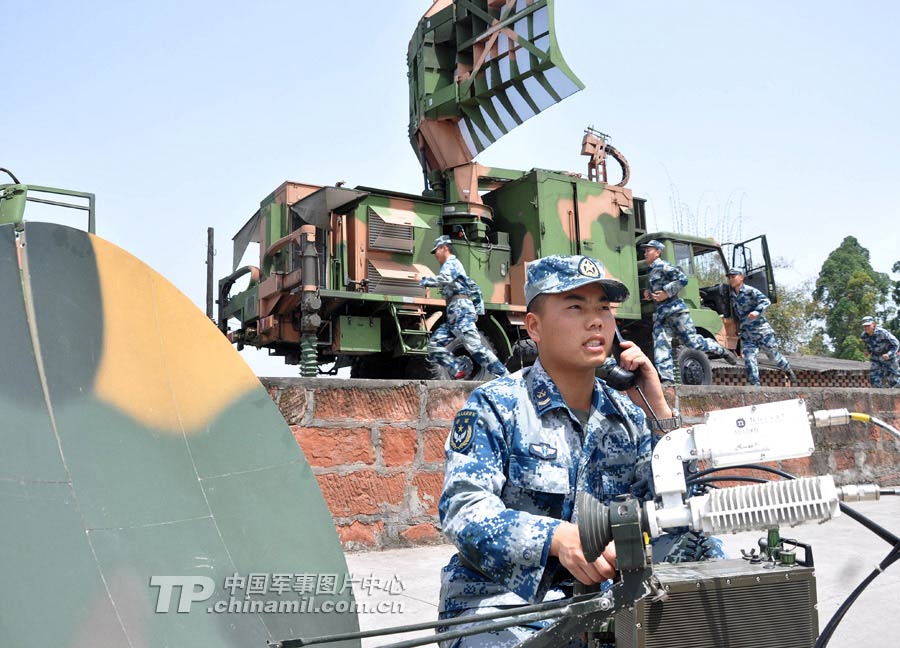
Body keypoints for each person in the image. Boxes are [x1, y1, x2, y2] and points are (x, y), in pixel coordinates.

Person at [436, 254, 720, 648]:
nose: (596, 321)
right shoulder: (495, 407)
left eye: (604, 308)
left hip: (608, 606)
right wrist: (556, 538)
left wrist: (659, 412)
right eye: (575, 307)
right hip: (508, 607)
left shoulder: (628, 415)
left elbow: (687, 510)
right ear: (534, 326)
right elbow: (463, 509)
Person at [641, 239, 736, 384]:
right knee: (660, 344)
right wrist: (649, 293)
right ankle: (667, 379)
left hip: (676, 311)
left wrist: (666, 292)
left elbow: (682, 279)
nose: (645, 253)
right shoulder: (652, 270)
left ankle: (722, 350)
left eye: (649, 250)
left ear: (658, 252)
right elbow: (658, 289)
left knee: (693, 342)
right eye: (645, 250)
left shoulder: (664, 266)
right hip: (662, 314)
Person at [420, 235, 509, 380]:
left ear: (444, 248)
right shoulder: (455, 267)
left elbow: (444, 279)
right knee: (434, 345)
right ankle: (457, 370)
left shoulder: (451, 263)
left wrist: (423, 280)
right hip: (454, 314)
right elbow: (474, 287)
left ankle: (505, 375)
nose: (435, 255)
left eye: (436, 251)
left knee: (475, 348)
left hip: (461, 311)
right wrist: (477, 309)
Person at [726, 268, 797, 386]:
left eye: (733, 276)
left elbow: (765, 301)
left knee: (773, 356)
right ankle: (755, 385)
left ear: (741, 277)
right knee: (749, 359)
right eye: (729, 277)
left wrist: (756, 312)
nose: (731, 279)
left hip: (761, 331)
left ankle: (788, 370)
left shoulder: (750, 291)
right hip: (747, 334)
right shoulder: (732, 296)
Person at [861, 316, 900, 388]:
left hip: (889, 358)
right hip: (876, 358)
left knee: (894, 381)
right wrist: (868, 351)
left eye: (868, 325)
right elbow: (869, 345)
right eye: (864, 326)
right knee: (874, 379)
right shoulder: (864, 336)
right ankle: (880, 397)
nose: (866, 328)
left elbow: (896, 344)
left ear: (873, 324)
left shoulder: (883, 332)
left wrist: (889, 354)